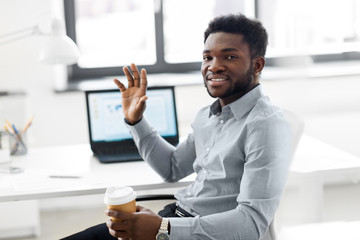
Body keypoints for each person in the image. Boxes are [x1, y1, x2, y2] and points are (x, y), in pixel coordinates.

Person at [62, 13, 292, 240]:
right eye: (207, 57)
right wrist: (137, 121)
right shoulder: (208, 116)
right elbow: (172, 168)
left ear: (257, 65)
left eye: (229, 57)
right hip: (174, 220)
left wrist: (164, 229)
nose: (214, 66)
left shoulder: (265, 125)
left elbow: (251, 224)